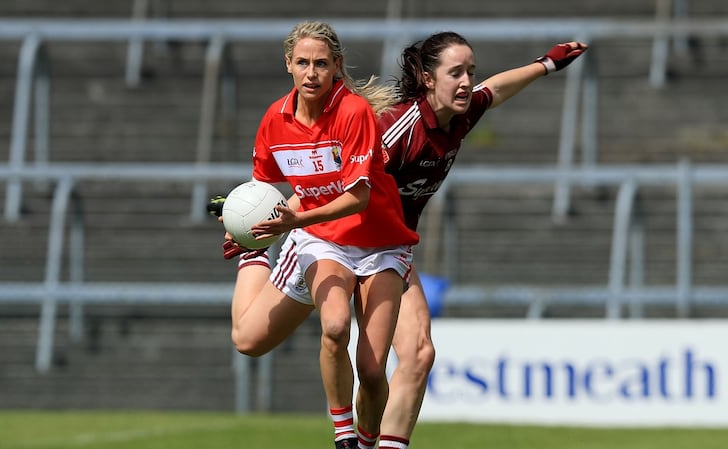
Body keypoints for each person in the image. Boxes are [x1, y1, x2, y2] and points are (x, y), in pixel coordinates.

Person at [218, 31, 587, 449]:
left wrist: (548, 64)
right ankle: (252, 257)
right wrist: (267, 220)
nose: (467, 81)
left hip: (387, 246)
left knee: (418, 354)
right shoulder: (394, 129)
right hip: (330, 236)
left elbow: (496, 88)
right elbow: (327, 180)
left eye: (470, 71)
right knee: (249, 340)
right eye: (456, 73)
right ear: (429, 79)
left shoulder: (460, 112)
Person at [225, 21, 420, 449]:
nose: (311, 72)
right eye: (302, 63)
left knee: (372, 370)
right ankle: (344, 437)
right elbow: (262, 191)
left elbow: (358, 199)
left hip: (382, 245)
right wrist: (249, 230)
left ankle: (367, 441)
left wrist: (290, 222)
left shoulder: (353, 112)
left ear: (336, 67)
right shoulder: (275, 120)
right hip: (322, 238)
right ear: (288, 66)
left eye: (320, 63)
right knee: (328, 327)